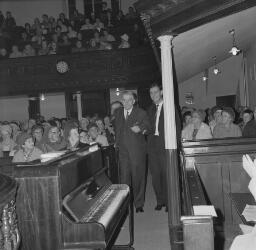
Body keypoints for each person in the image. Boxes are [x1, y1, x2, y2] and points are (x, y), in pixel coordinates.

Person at [114, 91, 150, 213]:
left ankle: (138, 204)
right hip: (123, 152)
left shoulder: (141, 112)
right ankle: (125, 205)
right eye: (124, 100)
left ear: (134, 101)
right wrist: (116, 142)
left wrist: (140, 128)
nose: (126, 102)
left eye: (129, 100)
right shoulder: (118, 112)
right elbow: (117, 128)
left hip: (137, 151)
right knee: (124, 179)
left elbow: (148, 126)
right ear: (122, 101)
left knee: (138, 178)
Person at [147, 83, 167, 211]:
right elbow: (148, 127)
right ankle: (160, 200)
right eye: (151, 93)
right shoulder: (150, 109)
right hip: (152, 147)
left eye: (155, 92)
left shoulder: (169, 106)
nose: (153, 95)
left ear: (161, 92)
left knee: (166, 175)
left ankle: (169, 201)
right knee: (155, 176)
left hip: (165, 146)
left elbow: (176, 126)